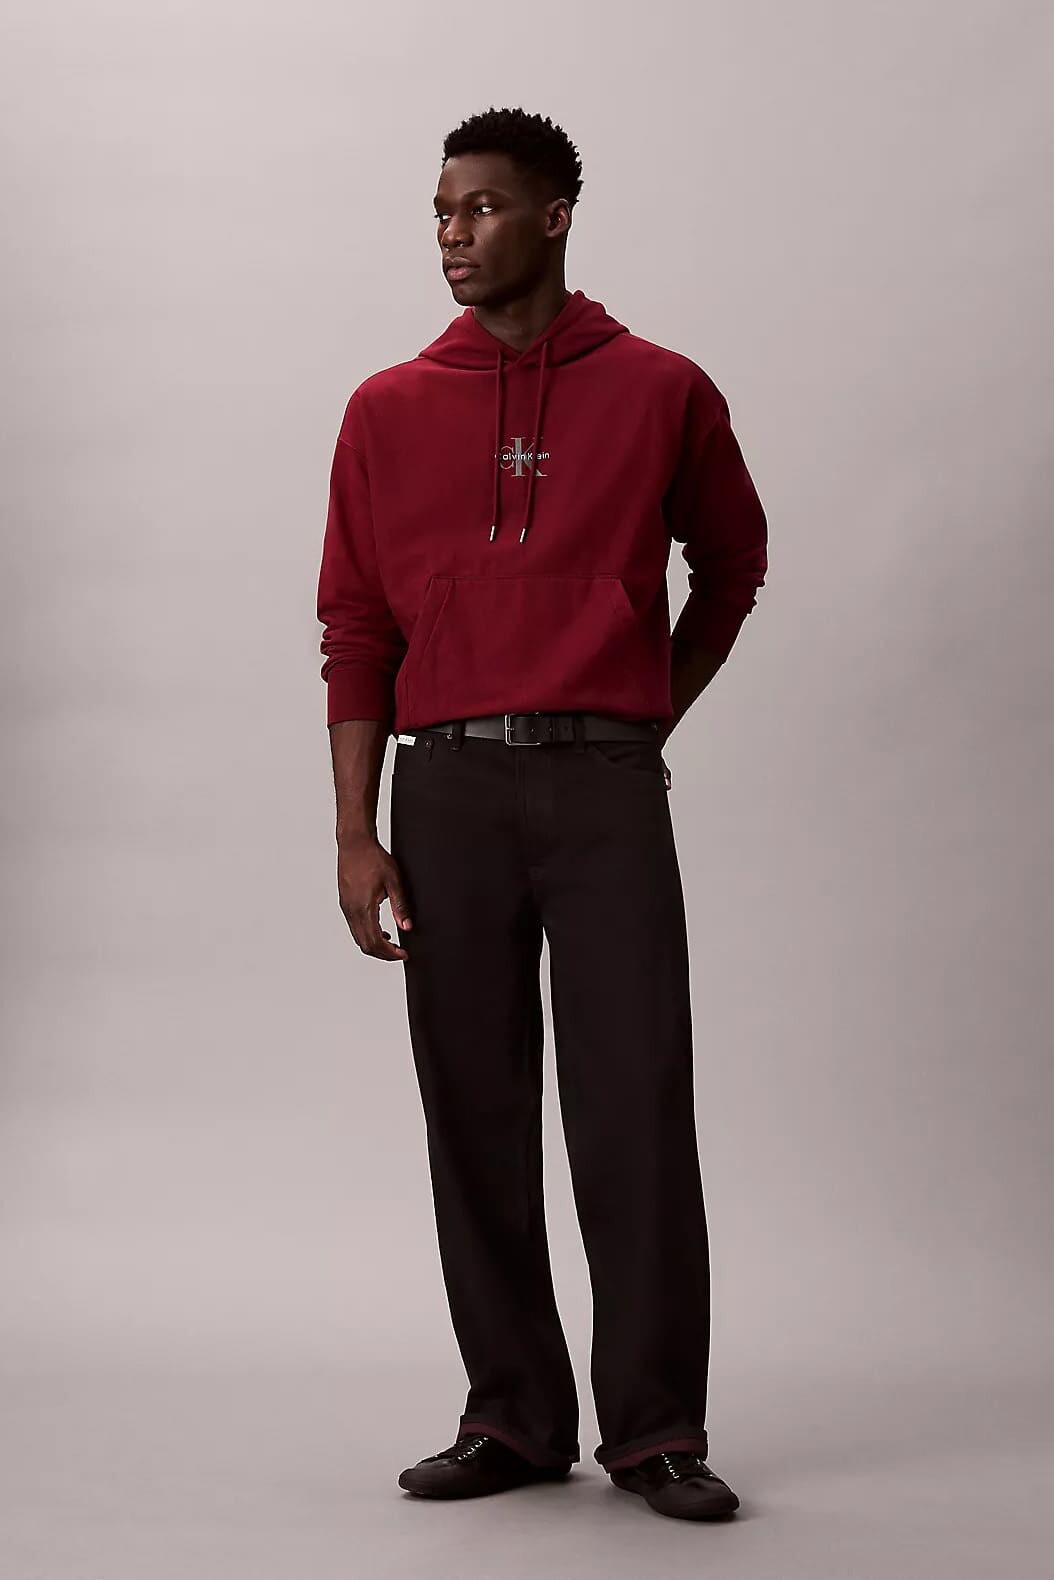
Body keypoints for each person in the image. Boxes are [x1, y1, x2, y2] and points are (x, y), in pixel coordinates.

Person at [315, 106, 767, 1523]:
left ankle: (656, 1430)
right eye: (441, 213)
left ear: (557, 214)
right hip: (444, 787)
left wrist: (642, 705)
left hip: (603, 790)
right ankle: (511, 1414)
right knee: (473, 1103)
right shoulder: (386, 408)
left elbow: (733, 564)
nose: (454, 236)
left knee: (634, 1099)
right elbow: (354, 625)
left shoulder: (661, 389)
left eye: (483, 209)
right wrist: (355, 829)